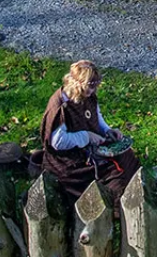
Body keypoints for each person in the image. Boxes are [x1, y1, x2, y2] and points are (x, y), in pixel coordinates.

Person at [40, 60, 141, 199]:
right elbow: (57, 142)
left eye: (94, 87)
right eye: (90, 87)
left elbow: (96, 116)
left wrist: (107, 131)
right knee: (115, 174)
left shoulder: (88, 95)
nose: (93, 91)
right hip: (70, 160)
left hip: (91, 146)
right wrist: (87, 136)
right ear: (77, 83)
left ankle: (142, 191)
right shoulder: (59, 107)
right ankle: (125, 204)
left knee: (126, 154)